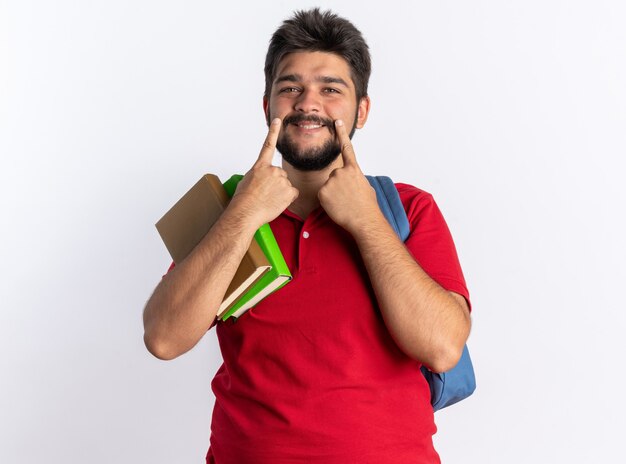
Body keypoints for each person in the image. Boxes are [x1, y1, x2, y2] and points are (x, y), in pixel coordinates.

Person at [143, 8, 471, 464]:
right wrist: (244, 215)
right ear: (267, 107)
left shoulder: (410, 208)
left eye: (330, 89)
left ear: (362, 110)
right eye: (290, 87)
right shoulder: (228, 209)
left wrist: (366, 220)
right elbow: (163, 338)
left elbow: (441, 347)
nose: (307, 102)